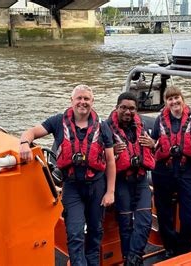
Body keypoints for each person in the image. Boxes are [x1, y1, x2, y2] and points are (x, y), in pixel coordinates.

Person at [19, 84, 116, 266]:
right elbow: (31, 132)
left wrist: (110, 191)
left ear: (92, 102)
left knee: (95, 231)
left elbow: (110, 161)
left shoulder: (103, 126)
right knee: (75, 232)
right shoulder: (57, 121)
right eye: (79, 98)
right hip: (72, 186)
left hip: (97, 185)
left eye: (86, 99)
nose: (82, 102)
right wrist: (24, 143)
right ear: (71, 101)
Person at [150, 85, 191, 257]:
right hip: (163, 171)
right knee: (164, 211)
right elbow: (154, 143)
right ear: (166, 102)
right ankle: (169, 246)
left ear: (182, 98)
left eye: (176, 98)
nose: (174, 102)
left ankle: (184, 245)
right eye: (170, 99)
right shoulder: (160, 120)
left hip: (185, 170)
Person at [105, 92, 155, 266]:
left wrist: (153, 144)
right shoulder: (105, 129)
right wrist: (111, 151)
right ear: (117, 108)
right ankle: (131, 260)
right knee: (125, 224)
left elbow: (157, 148)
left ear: (137, 110)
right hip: (121, 182)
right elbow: (96, 158)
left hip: (141, 180)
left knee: (145, 220)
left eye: (132, 108)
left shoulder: (143, 126)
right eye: (124, 107)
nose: (128, 111)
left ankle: (132, 259)